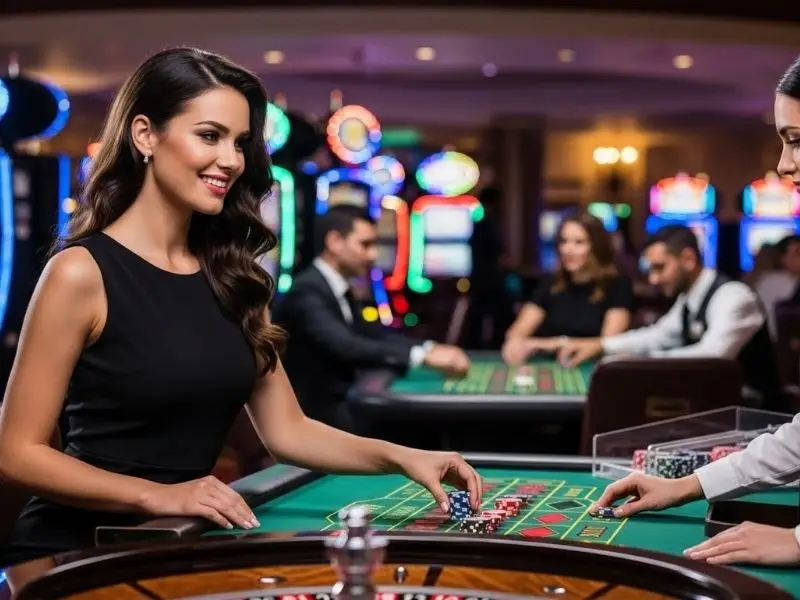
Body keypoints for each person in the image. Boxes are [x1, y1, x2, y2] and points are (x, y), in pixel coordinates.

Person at [0, 48, 481, 566]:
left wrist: (402, 457)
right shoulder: (81, 271)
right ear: (145, 135)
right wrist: (155, 495)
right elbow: (17, 452)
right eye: (210, 136)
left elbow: (288, 431)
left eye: (240, 142)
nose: (231, 159)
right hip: (74, 553)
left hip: (180, 540)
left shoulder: (236, 278)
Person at [587, 55, 800, 568]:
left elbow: (705, 360)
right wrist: (687, 485)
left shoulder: (734, 297)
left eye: (795, 139)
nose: (783, 164)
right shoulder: (687, 300)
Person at [271, 204, 471, 434]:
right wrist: (423, 358)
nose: (374, 255)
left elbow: (372, 334)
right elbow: (346, 346)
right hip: (314, 418)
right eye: (365, 245)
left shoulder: (335, 287)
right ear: (335, 242)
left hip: (340, 405)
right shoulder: (306, 291)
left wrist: (428, 348)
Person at [557, 224, 783, 410]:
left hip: (758, 420)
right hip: (720, 408)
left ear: (688, 259)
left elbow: (713, 358)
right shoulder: (690, 298)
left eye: (660, 268)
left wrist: (635, 363)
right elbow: (657, 336)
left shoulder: (734, 297)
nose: (653, 279)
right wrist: (601, 345)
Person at [502, 211, 633, 365]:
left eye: (579, 242)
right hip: (552, 367)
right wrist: (515, 344)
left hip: (593, 369)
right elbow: (517, 332)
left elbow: (608, 343)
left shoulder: (617, 284)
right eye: (564, 241)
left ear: (597, 246)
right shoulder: (551, 282)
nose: (568, 250)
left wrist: (546, 344)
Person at [463, 186, 514, 349]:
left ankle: (484, 347)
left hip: (482, 279)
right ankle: (490, 347)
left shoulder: (484, 223)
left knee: (483, 318)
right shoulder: (486, 223)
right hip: (488, 280)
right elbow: (496, 252)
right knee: (494, 316)